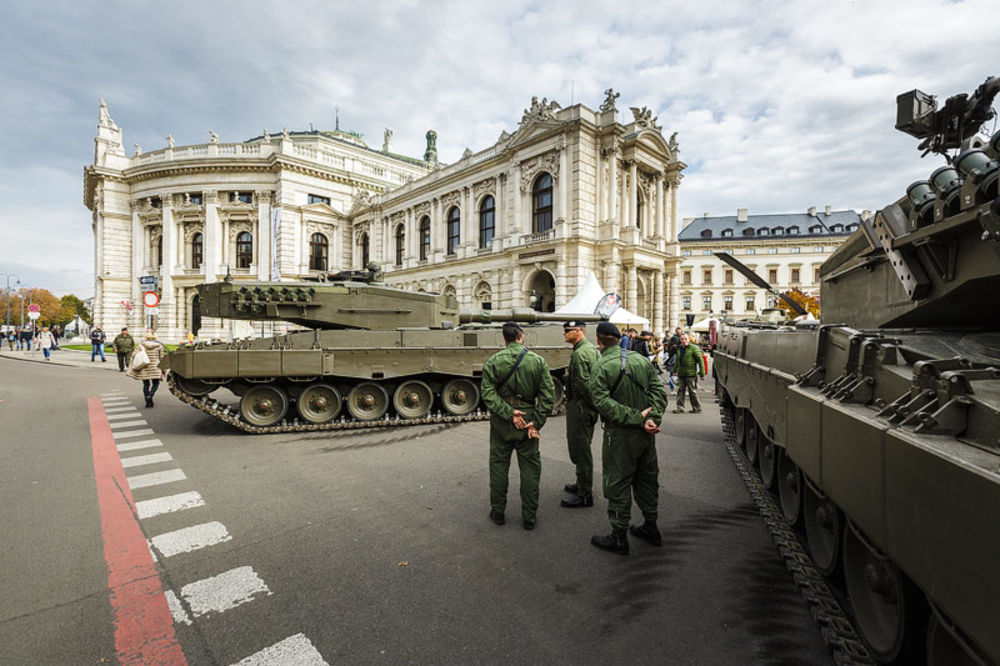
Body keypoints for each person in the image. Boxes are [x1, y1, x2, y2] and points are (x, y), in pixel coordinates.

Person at [588, 321, 668, 555]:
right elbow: (658, 392)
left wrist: (635, 417)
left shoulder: (601, 366)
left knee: (618, 482)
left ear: (599, 341)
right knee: (647, 479)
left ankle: (619, 537)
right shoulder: (640, 360)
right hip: (645, 434)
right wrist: (652, 419)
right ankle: (651, 526)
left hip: (620, 435)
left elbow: (602, 403)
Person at [480, 321, 556, 530]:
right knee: (530, 469)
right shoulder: (538, 361)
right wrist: (536, 423)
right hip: (529, 420)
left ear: (504, 338)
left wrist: (508, 413)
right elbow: (548, 396)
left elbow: (487, 393)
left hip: (501, 423)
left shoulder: (494, 361)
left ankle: (498, 512)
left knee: (498, 466)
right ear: (522, 336)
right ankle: (529, 517)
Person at [561, 320, 599, 509]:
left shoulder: (580, 354)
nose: (564, 334)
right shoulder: (590, 349)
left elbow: (585, 386)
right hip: (586, 406)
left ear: (579, 331)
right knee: (582, 446)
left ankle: (585, 494)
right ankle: (581, 483)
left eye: (568, 331)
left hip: (580, 406)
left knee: (580, 449)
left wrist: (591, 406)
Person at [127, 331, 166, 407]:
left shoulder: (141, 345)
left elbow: (133, 354)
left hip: (144, 366)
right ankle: (150, 395)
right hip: (155, 367)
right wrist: (164, 369)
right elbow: (162, 358)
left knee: (146, 384)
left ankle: (148, 402)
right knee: (156, 383)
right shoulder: (159, 346)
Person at [673, 332, 705, 413]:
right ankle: (680, 408)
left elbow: (701, 361)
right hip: (681, 373)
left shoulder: (694, 348)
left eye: (685, 339)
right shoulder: (679, 348)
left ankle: (697, 408)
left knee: (692, 392)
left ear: (689, 339)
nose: (684, 340)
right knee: (680, 391)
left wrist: (702, 374)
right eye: (682, 339)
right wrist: (675, 371)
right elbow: (677, 361)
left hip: (691, 374)